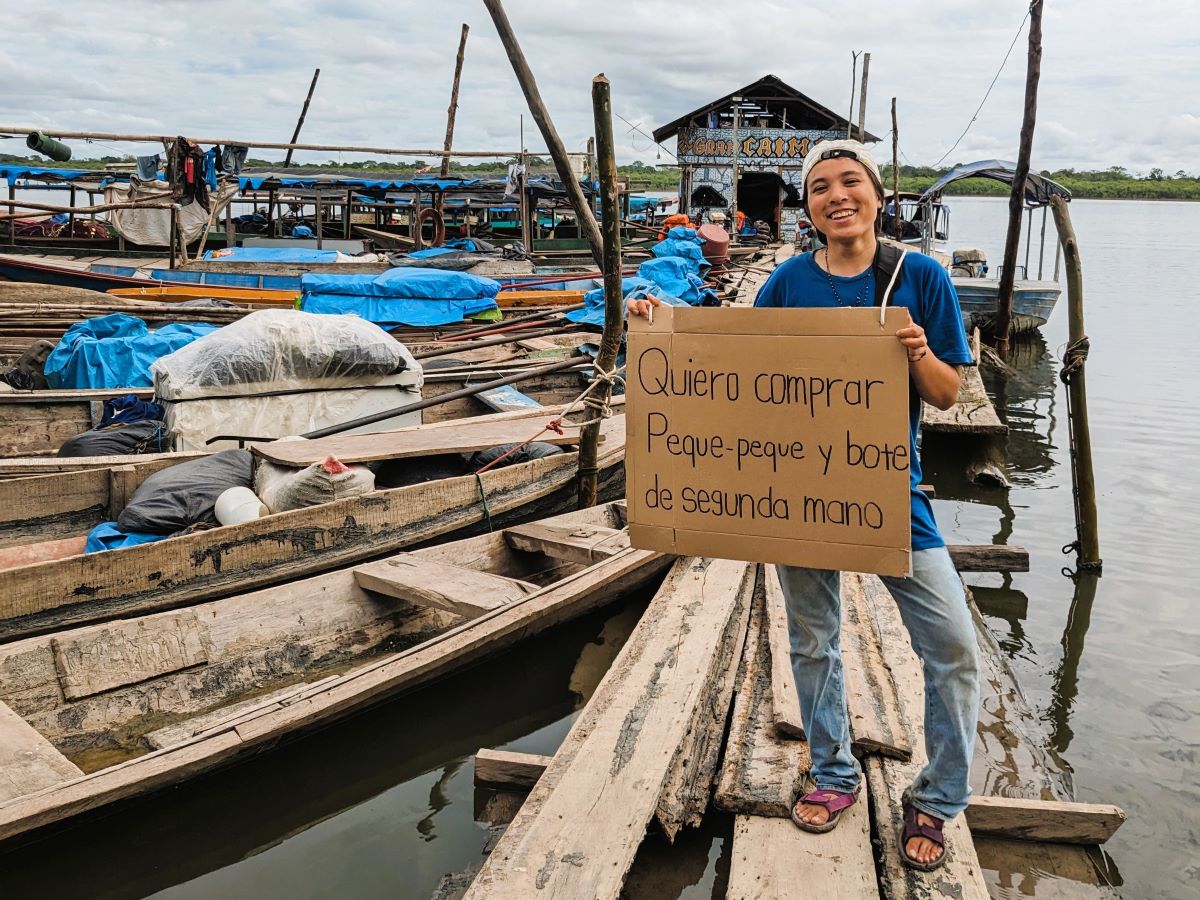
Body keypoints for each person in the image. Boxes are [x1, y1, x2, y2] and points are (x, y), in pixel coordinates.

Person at [627, 139, 979, 871]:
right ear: (808, 206)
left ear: (880, 196)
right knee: (812, 641)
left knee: (951, 647)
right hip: (797, 493)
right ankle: (832, 772)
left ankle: (939, 797)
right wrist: (655, 322)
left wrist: (915, 351)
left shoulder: (920, 277)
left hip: (892, 492)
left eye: (851, 181)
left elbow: (948, 394)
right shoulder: (786, 282)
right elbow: (741, 373)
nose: (836, 195)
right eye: (820, 187)